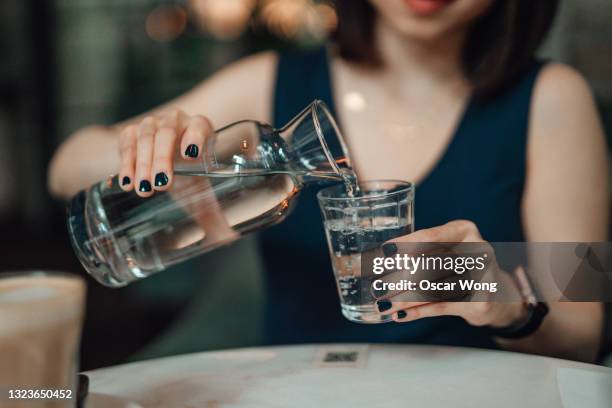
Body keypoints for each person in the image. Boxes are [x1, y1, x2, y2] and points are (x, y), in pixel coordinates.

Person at [48, 0, 608, 362]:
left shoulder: (555, 99)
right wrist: (153, 146)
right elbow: (66, 165)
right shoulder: (268, 83)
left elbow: (584, 332)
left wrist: (507, 303)